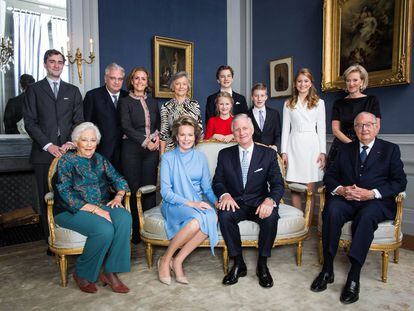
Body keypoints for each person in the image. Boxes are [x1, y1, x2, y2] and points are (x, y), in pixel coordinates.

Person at [311, 112, 406, 304]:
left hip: (375, 202)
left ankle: (354, 276)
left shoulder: (390, 149)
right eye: (360, 125)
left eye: (369, 124)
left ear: (377, 127)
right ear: (355, 129)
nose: (364, 129)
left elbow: (399, 182)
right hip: (347, 198)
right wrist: (341, 190)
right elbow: (329, 176)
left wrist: (372, 193)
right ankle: (327, 269)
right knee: (331, 210)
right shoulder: (346, 149)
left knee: (366, 216)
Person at [54, 122, 132, 294]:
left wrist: (119, 196)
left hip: (101, 205)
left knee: (124, 217)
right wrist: (95, 210)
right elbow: (64, 193)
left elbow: (119, 179)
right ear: (76, 142)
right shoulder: (66, 161)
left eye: (93, 140)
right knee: (103, 229)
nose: (89, 144)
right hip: (70, 210)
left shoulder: (100, 159)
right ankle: (81, 273)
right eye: (84, 140)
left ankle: (110, 272)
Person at [212, 114, 284, 288]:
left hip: (259, 202)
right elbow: (218, 181)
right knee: (225, 215)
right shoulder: (224, 154)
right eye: (237, 129)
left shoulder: (268, 154)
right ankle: (238, 263)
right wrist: (224, 195)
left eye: (245, 128)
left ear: (251, 130)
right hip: (235, 202)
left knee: (271, 217)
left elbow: (277, 184)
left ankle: (262, 264)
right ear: (233, 133)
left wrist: (270, 200)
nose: (241, 132)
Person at [23, 49, 83, 246]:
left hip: (68, 154)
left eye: (60, 62)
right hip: (43, 154)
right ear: (45, 64)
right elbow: (30, 122)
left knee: (69, 196)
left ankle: (71, 237)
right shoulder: (34, 89)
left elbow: (79, 121)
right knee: (46, 199)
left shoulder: (73, 91)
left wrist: (70, 143)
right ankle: (51, 241)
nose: (56, 65)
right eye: (52, 61)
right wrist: (49, 146)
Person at [158, 116, 218, 285]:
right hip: (174, 204)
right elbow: (166, 193)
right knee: (197, 220)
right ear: (176, 136)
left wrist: (217, 202)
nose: (186, 139)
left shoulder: (200, 157)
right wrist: (192, 204)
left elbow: (207, 188)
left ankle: (178, 261)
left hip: (196, 202)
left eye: (190, 135)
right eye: (182, 135)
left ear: (195, 136)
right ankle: (165, 259)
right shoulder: (168, 158)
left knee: (212, 216)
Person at [118, 67, 160, 244]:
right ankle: (135, 231)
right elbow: (126, 127)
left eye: (143, 79)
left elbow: (158, 122)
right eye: (137, 78)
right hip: (131, 149)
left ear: (147, 82)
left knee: (149, 189)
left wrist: (156, 138)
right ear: (132, 81)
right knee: (134, 189)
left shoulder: (153, 102)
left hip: (151, 151)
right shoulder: (125, 102)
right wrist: (146, 141)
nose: (140, 82)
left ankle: (148, 229)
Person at [281, 68, 326, 210]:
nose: (302, 84)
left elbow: (322, 129)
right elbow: (285, 129)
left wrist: (323, 152)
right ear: (295, 83)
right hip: (293, 145)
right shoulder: (288, 103)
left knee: (309, 189)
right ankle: (298, 219)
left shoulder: (319, 103)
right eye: (299, 81)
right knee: (295, 187)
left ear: (311, 83)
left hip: (312, 146)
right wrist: (284, 152)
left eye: (306, 81)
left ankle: (307, 224)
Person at [327, 64, 381, 167]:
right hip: (342, 145)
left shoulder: (372, 100)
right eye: (348, 80)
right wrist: (352, 145)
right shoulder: (339, 103)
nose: (351, 84)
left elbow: (376, 126)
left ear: (362, 81)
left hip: (367, 144)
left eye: (355, 80)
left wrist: (363, 145)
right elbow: (335, 130)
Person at [83, 63, 128, 172]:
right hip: (101, 150)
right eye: (113, 78)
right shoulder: (92, 96)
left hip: (125, 151)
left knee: (122, 185)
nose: (116, 82)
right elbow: (86, 125)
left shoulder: (127, 96)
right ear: (105, 78)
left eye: (120, 79)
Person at [159, 71, 203, 154]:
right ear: (173, 86)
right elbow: (163, 134)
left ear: (188, 87)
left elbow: (200, 131)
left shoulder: (194, 105)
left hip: (192, 150)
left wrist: (198, 153)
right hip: (171, 151)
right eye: (177, 84)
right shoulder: (166, 106)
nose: (181, 87)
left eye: (184, 84)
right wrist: (162, 157)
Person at [247, 83, 281, 151]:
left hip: (270, 151)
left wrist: (276, 146)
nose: (259, 99)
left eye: (262, 95)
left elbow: (278, 133)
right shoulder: (246, 115)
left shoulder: (274, 114)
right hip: (253, 152)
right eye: (256, 96)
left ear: (266, 97)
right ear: (252, 98)